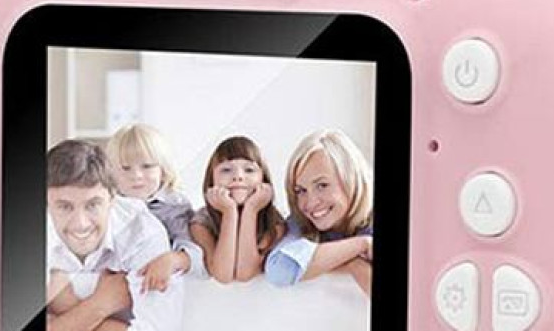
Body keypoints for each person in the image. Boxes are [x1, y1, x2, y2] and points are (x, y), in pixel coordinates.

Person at [45, 139, 183, 331]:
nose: (80, 223)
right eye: (64, 207)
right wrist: (100, 305)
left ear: (112, 198)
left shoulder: (142, 233)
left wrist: (65, 308)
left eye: (93, 205)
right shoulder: (27, 230)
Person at [265, 130, 373, 295]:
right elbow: (279, 271)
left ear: (351, 179)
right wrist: (358, 251)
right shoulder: (300, 224)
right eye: (301, 190)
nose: (311, 203)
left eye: (322, 185)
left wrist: (333, 260)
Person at [106, 123, 204, 292]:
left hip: (155, 286)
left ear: (163, 170)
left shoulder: (173, 206)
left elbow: (196, 258)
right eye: (126, 168)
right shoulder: (109, 206)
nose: (136, 175)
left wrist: (171, 260)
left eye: (147, 166)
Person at [189, 136, 286, 283]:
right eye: (226, 170)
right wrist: (229, 212)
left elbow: (245, 273)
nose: (238, 177)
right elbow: (223, 275)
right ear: (211, 180)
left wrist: (251, 210)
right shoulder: (201, 222)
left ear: (263, 179)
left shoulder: (274, 222)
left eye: (249, 170)